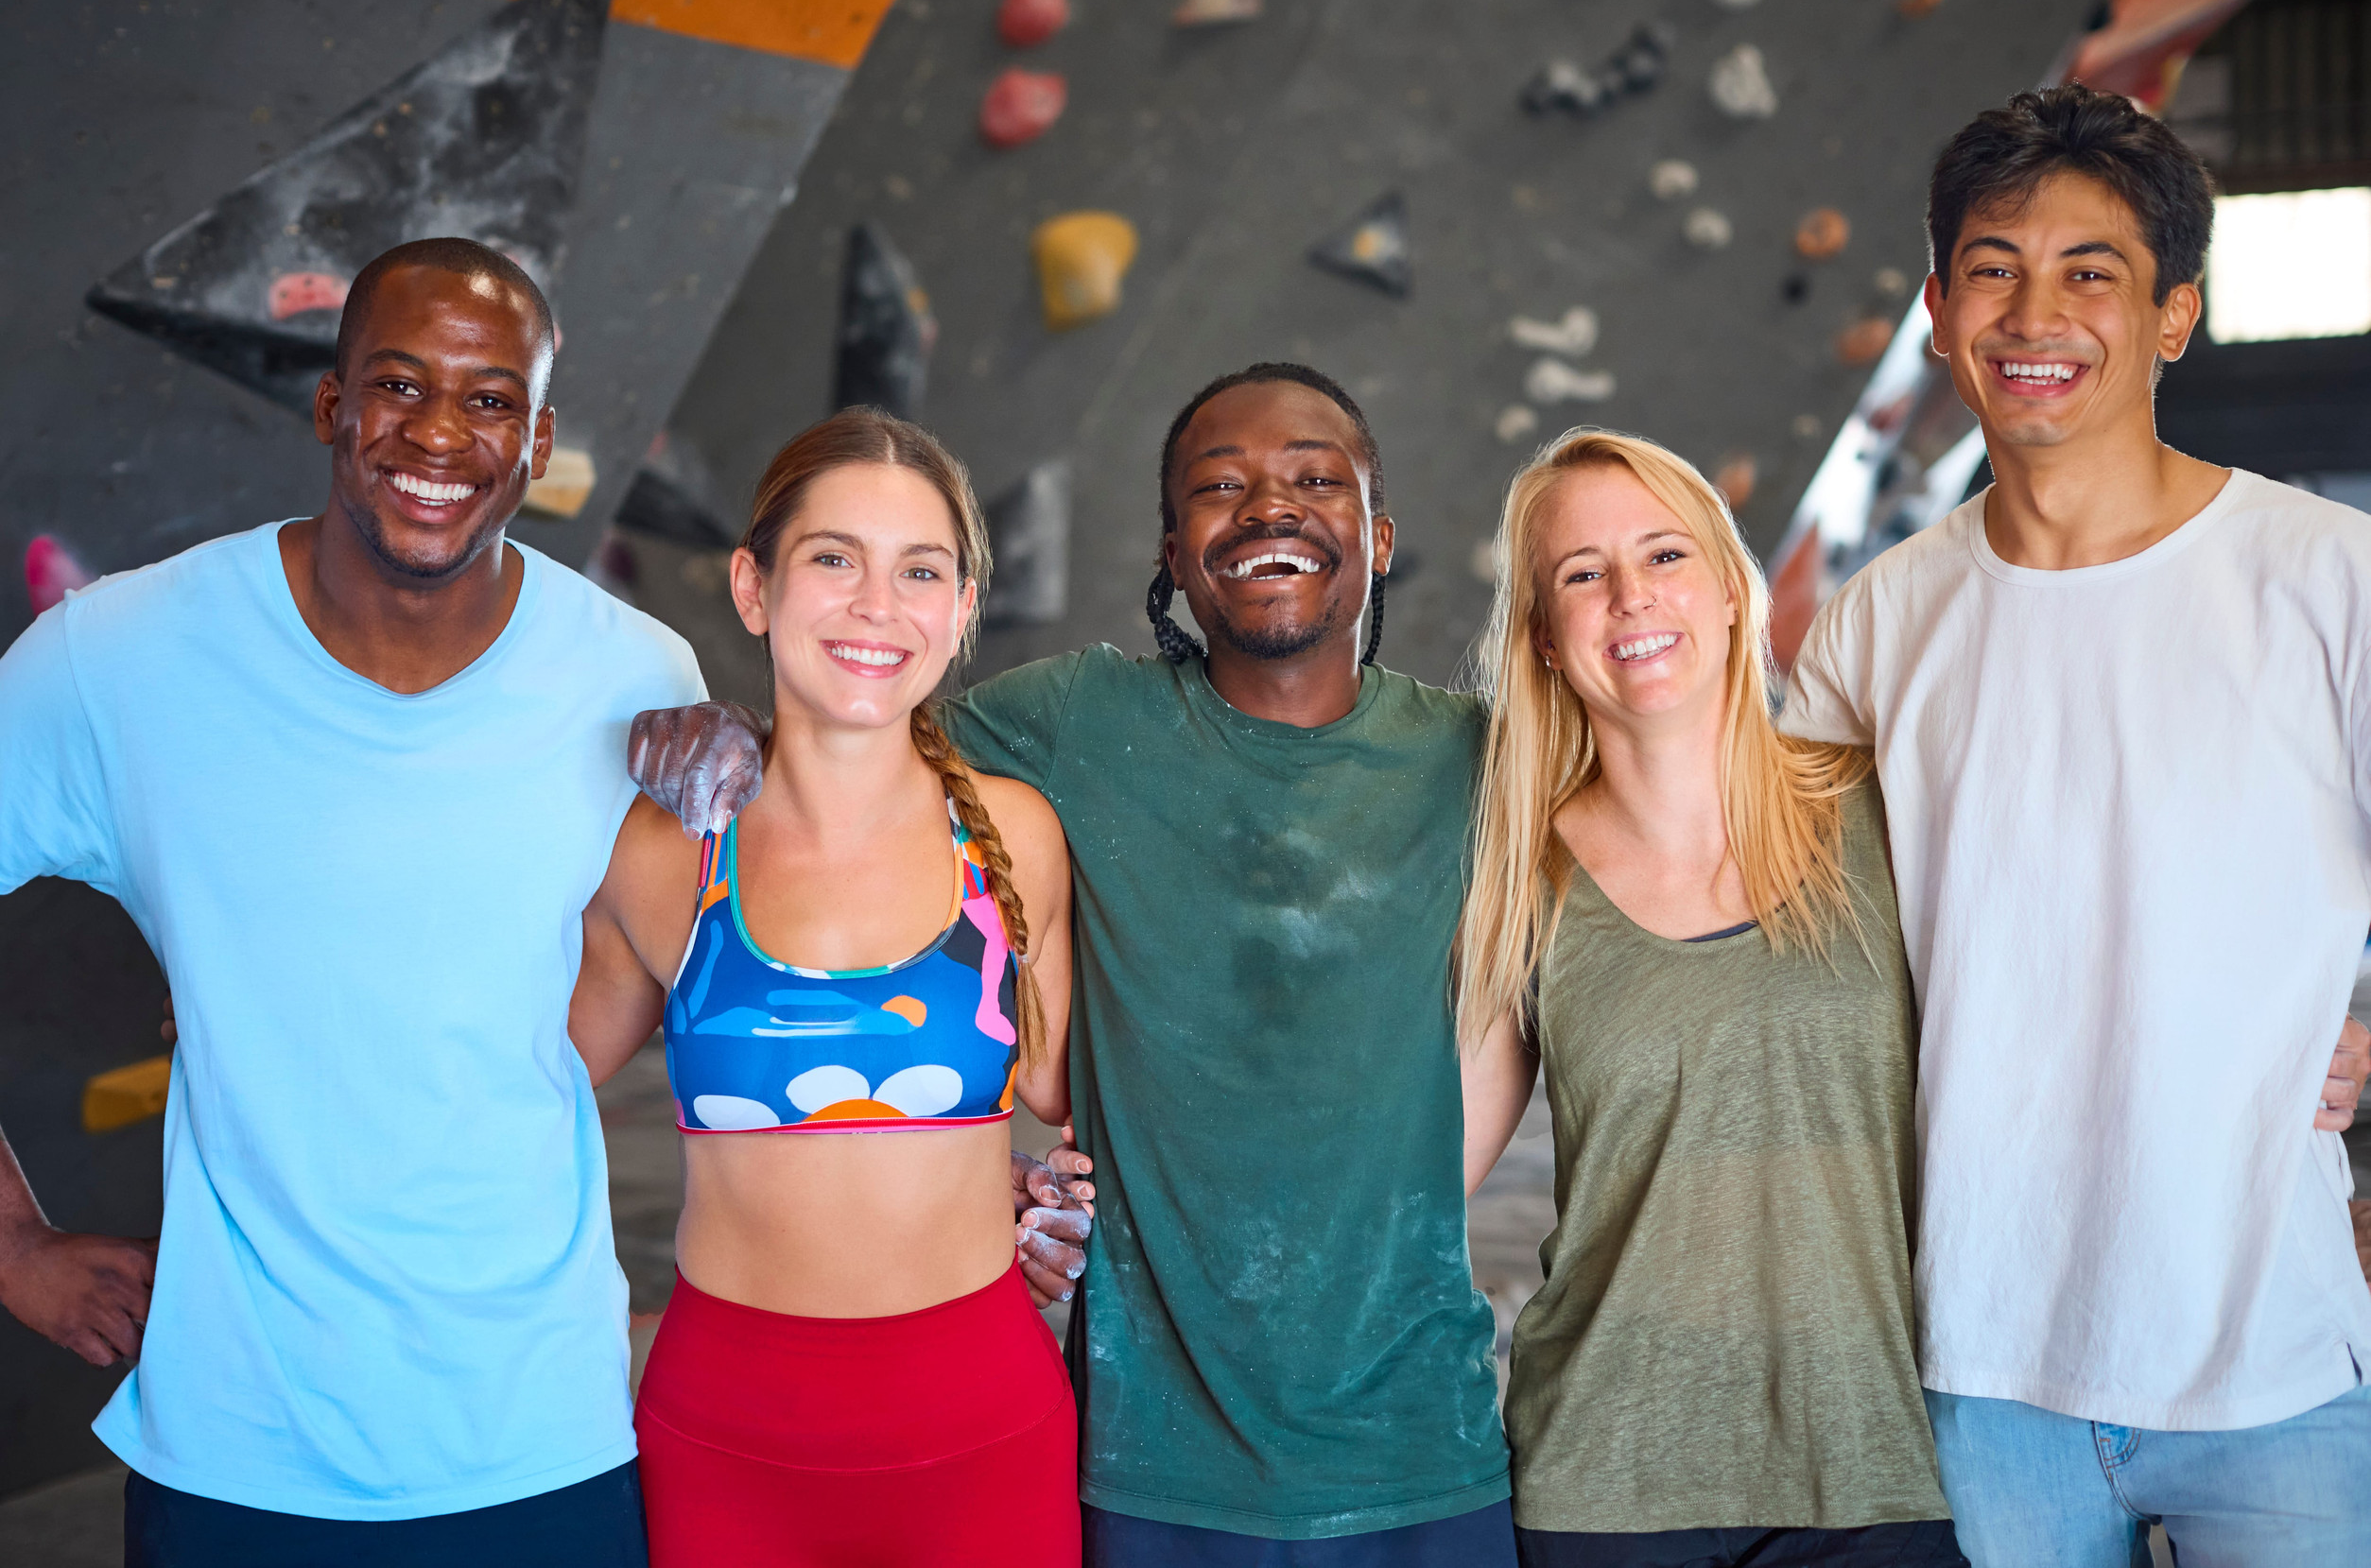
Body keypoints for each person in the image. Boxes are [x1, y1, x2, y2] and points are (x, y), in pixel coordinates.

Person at [0, 240, 1088, 1565]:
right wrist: (14, 1241)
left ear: (539, 437)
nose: (439, 436)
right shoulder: (123, 655)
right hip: (241, 1445)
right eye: (399, 386)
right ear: (333, 405)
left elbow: (538, 1039)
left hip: (548, 1448)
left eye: (489, 399)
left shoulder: (635, 679)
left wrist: (1037, 1197)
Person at [633, 363, 1516, 1565]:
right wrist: (728, 727)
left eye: (1316, 478)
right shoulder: (1076, 722)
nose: (1269, 507)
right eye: (1221, 484)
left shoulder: (1481, 759)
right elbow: (862, 731)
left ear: (1383, 533)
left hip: (1419, 1437)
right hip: (1143, 1448)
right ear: (1171, 544)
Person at [1780, 85, 2371, 1563]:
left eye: (2090, 272)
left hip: (2274, 1363)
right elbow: (1783, 933)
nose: (2035, 312)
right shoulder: (1877, 623)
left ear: (2174, 315)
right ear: (1937, 307)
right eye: (1993, 267)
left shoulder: (2325, 577)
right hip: (1983, 1368)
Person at [567, 408, 1081, 1566]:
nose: (875, 605)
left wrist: (1054, 1202)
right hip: (726, 1440)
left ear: (958, 614)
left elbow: (1083, 1097)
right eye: (833, 559)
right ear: (754, 588)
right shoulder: (663, 855)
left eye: (921, 571)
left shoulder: (1015, 838)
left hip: (984, 1433)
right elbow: (513, 1077)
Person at [1456, 428, 1965, 1567]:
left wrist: (2289, 1044)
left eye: (1665, 555)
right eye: (1582, 574)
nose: (1631, 596)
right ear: (1544, 636)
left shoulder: (1885, 807)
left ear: (1735, 591)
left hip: (1874, 1465)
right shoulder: (1521, 874)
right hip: (1606, 1482)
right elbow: (1421, 1168)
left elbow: (2075, 979)